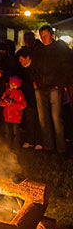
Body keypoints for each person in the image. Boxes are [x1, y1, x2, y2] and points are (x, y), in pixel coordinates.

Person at [30, 25, 70, 154]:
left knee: (56, 117)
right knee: (43, 118)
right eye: (41, 36)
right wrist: (34, 81)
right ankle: (48, 146)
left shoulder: (59, 50)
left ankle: (61, 148)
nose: (43, 38)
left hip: (54, 87)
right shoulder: (38, 50)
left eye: (45, 36)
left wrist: (60, 83)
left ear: (51, 35)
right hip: (40, 87)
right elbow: (33, 67)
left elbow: (65, 67)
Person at [0, 76, 26, 149]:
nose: (13, 86)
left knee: (16, 133)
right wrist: (5, 102)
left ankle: (16, 148)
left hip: (16, 118)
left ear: (18, 85)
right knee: (8, 133)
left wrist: (14, 103)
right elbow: (0, 103)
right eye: (11, 84)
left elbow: (23, 105)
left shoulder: (19, 94)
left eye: (15, 84)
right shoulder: (6, 92)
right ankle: (7, 148)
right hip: (7, 117)